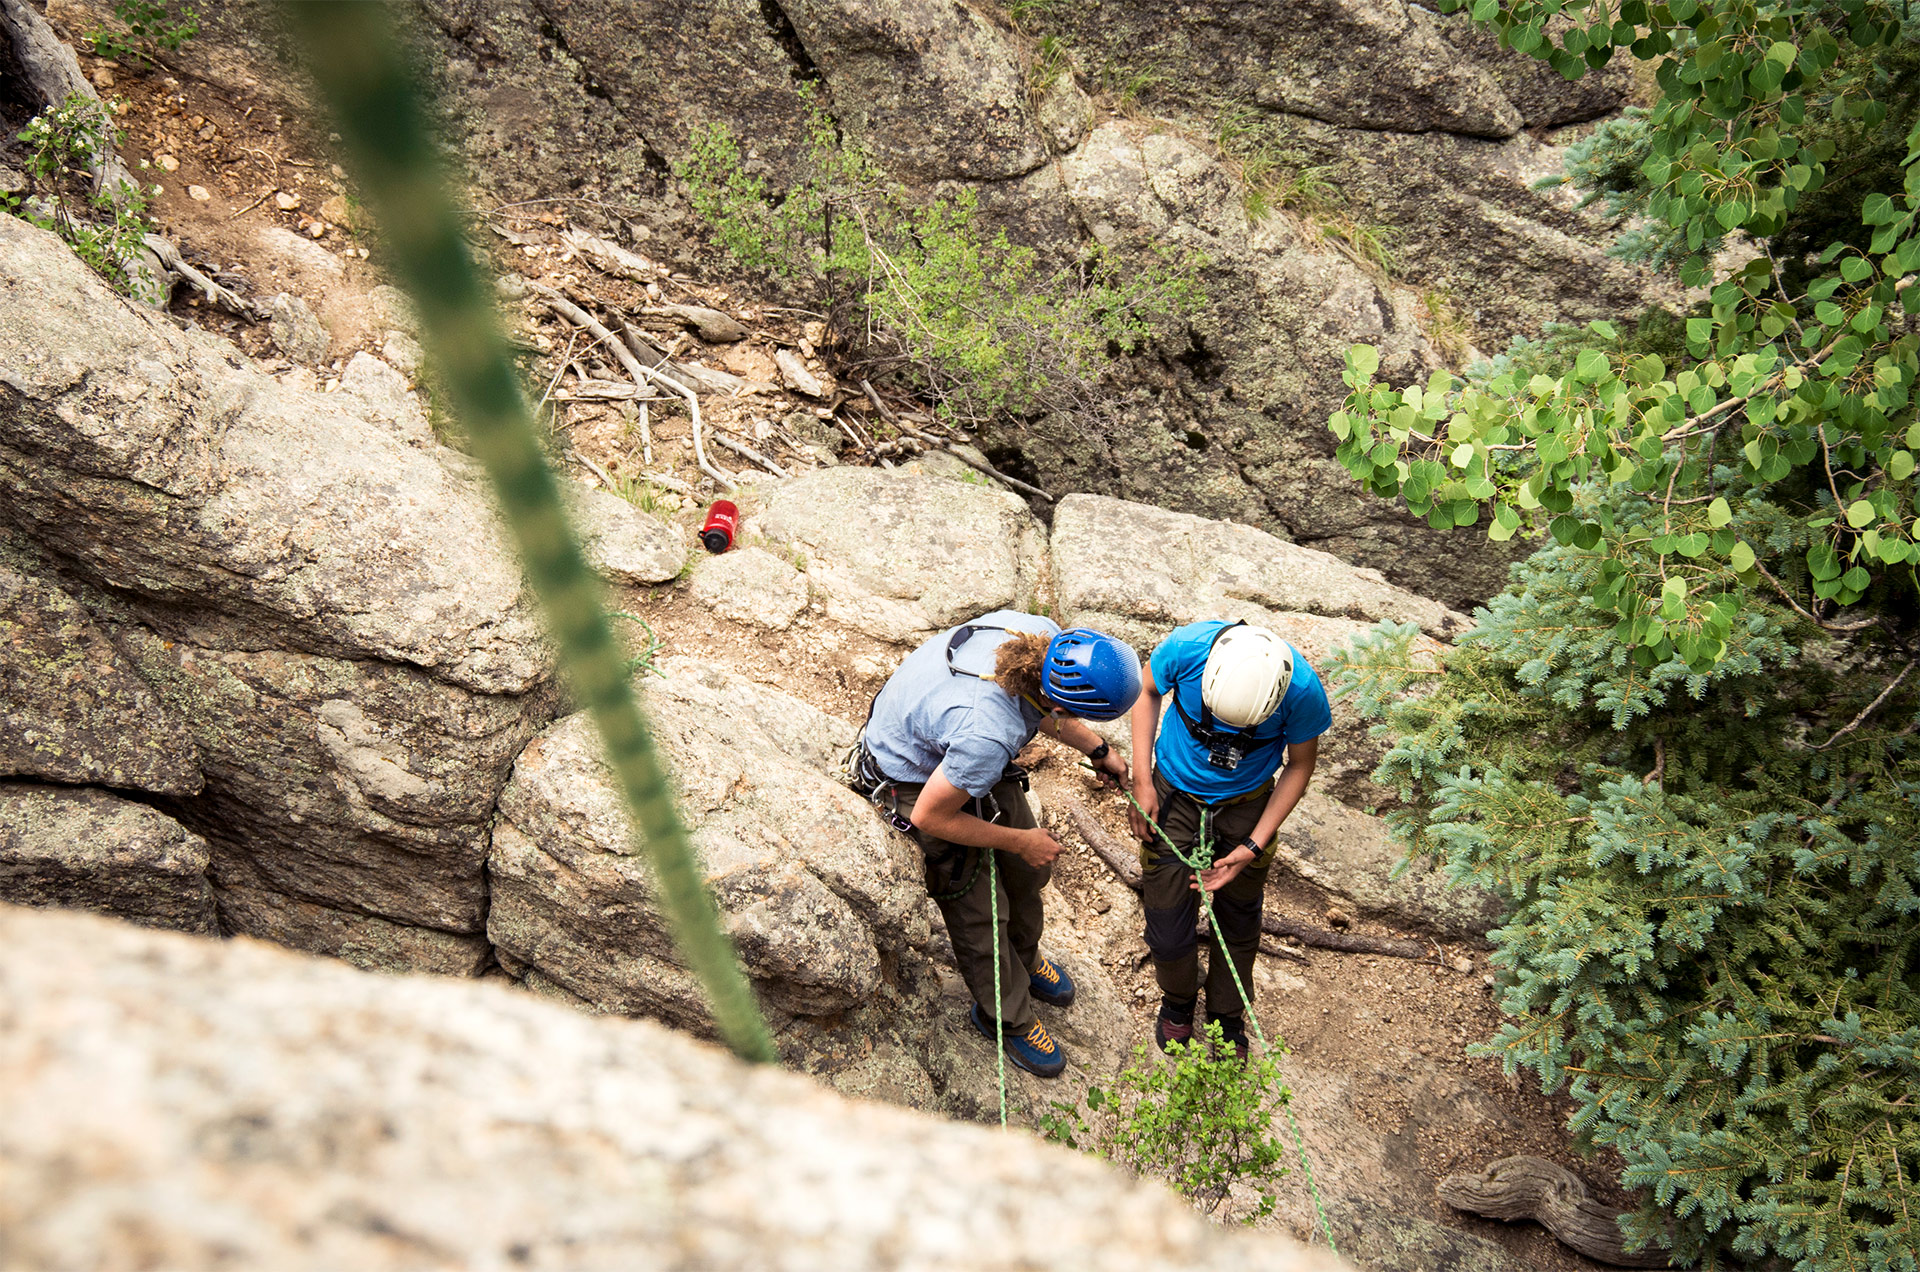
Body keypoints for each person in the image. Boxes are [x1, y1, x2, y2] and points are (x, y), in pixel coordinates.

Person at [850, 611, 1140, 1078]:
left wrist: (1097, 749)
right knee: (981, 910)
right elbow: (930, 815)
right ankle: (1006, 1015)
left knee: (1030, 874)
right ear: (1063, 704)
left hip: (958, 758)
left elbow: (1039, 705)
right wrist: (1021, 840)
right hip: (914, 784)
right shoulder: (987, 732)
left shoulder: (1038, 636)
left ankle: (1025, 959)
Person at [1127, 620, 1330, 1060]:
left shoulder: (1302, 691)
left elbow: (1299, 765)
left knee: (1239, 918)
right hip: (1173, 794)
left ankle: (1226, 1015)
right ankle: (1178, 1000)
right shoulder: (1188, 648)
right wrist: (1142, 781)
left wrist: (1254, 844)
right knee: (1165, 922)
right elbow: (1146, 690)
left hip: (1248, 804)